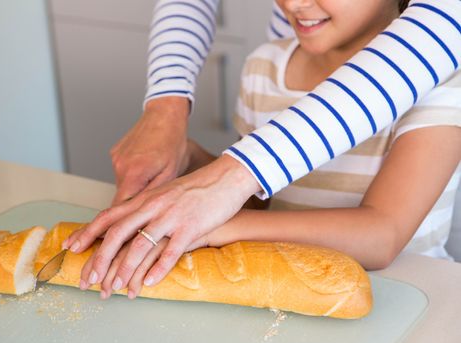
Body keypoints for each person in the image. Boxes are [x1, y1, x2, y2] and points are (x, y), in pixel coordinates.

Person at [63, 0, 461, 300]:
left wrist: (213, 229)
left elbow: (382, 235)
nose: (291, 3)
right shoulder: (266, 67)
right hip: (295, 289)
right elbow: (252, 202)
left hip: (413, 296)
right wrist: (188, 157)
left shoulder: (439, 83)